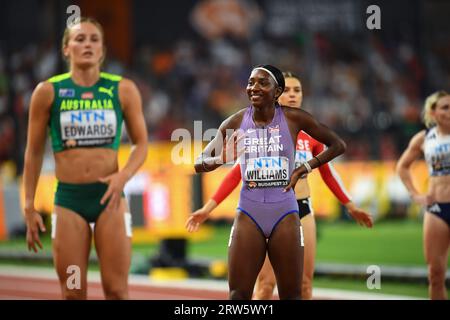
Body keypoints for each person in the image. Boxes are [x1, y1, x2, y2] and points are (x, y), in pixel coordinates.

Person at [187, 72, 373, 299]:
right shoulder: (239, 122)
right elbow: (224, 171)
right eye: (250, 82)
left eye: (298, 90)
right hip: (250, 210)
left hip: (295, 210)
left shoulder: (300, 124)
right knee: (258, 288)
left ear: (276, 92)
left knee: (302, 288)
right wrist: (219, 165)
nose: (293, 95)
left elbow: (331, 163)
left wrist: (307, 169)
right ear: (281, 94)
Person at [23, 17, 148, 299]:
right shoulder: (48, 92)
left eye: (94, 39)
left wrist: (123, 176)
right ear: (66, 49)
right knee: (73, 290)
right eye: (80, 39)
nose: (88, 45)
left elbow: (141, 144)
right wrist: (29, 205)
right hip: (69, 203)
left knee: (117, 290)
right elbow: (32, 152)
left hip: (111, 200)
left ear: (103, 50)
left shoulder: (123, 89)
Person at [396, 91, 450, 300]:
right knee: (435, 274)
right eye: (445, 107)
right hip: (436, 209)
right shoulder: (424, 138)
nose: (449, 111)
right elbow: (402, 167)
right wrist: (415, 194)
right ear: (433, 112)